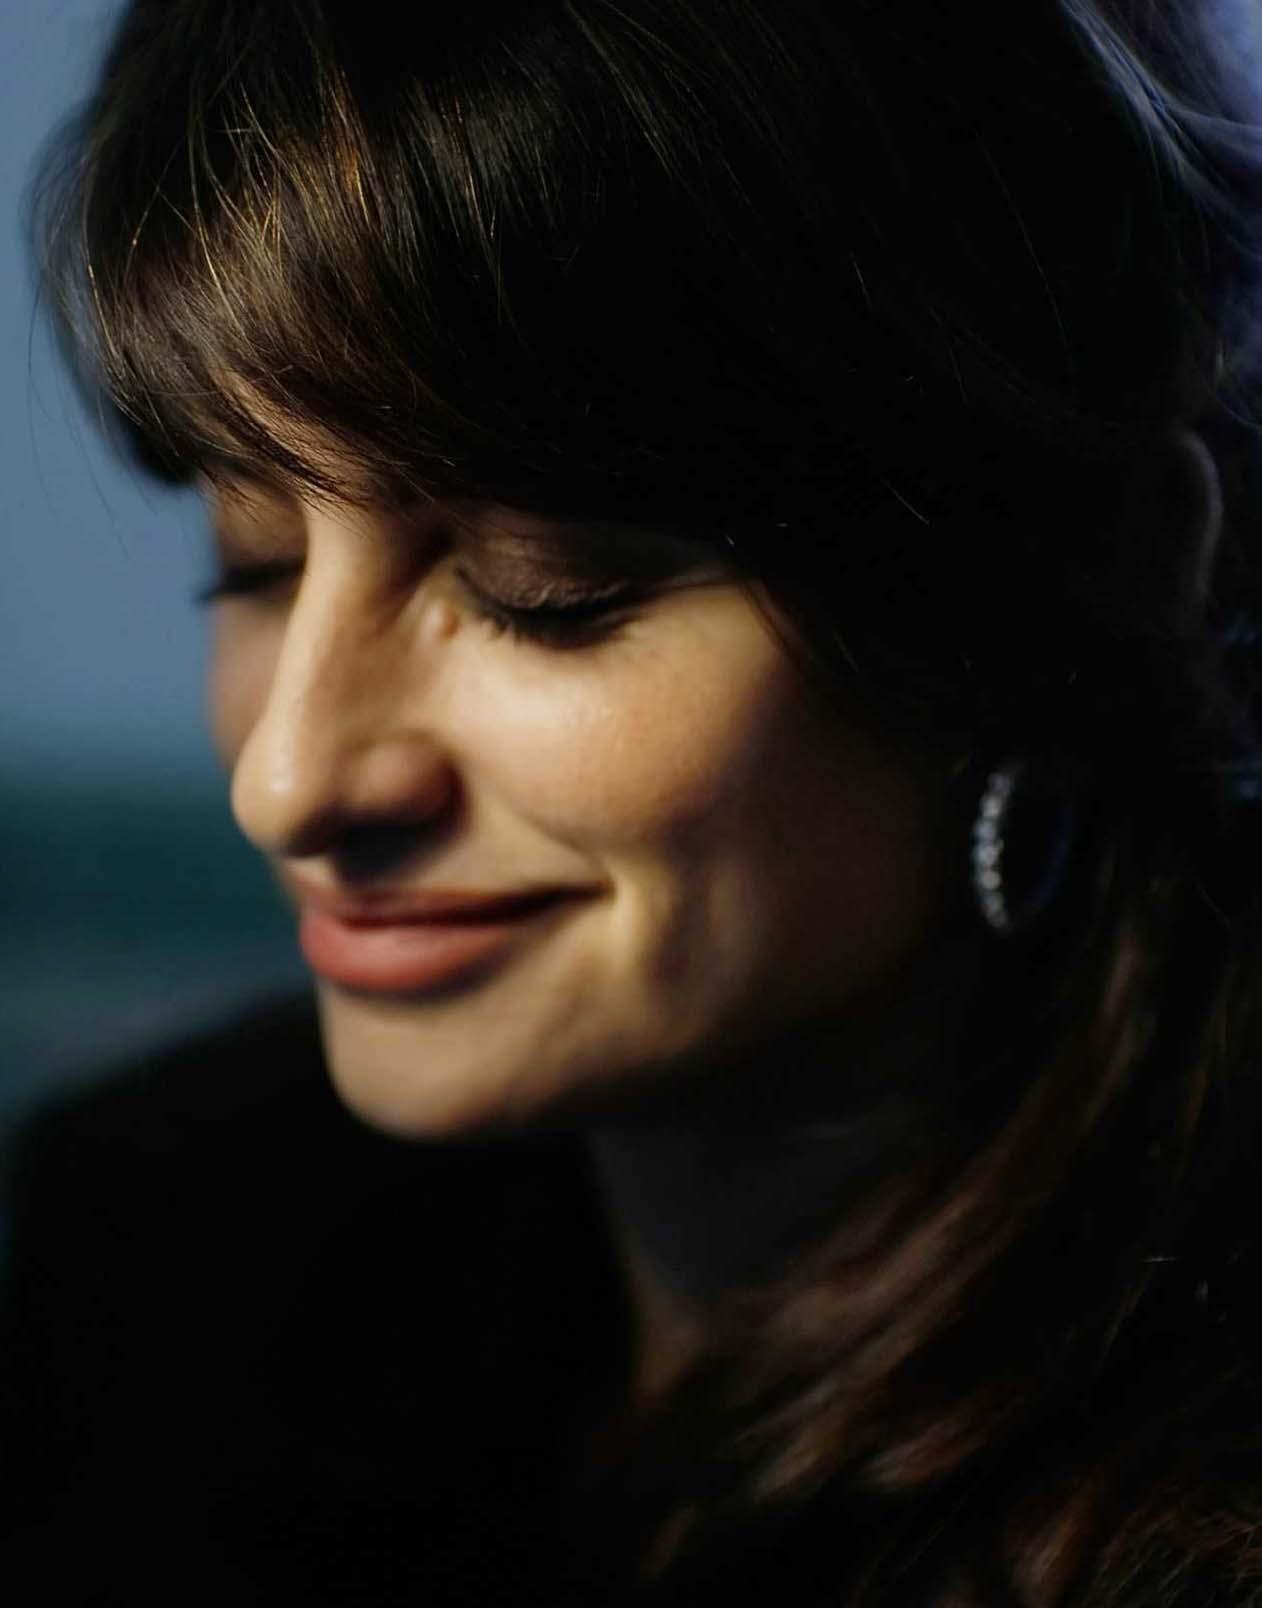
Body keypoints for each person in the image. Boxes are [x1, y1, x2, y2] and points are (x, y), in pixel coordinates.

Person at [5, 0, 1262, 1601]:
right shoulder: (155, 1250)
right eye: (251, 567)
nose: (289, 780)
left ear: (1059, 604)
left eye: (544, 594)